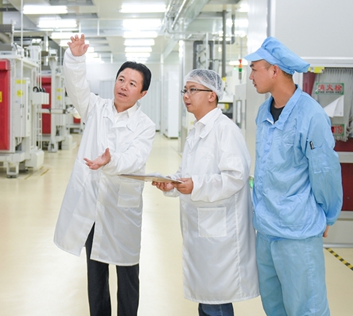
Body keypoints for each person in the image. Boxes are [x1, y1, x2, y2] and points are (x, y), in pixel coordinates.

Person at [53, 34, 156, 316]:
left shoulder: (145, 126)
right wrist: (76, 59)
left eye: (132, 83)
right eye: (121, 79)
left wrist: (111, 161)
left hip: (122, 209)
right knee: (96, 274)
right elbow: (76, 87)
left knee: (127, 274)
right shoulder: (95, 109)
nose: (124, 86)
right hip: (93, 206)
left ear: (142, 93)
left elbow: (135, 159)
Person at [244, 37, 343, 316]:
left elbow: (325, 171)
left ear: (274, 70)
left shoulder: (310, 114)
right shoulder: (263, 111)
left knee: (306, 309)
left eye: (255, 69)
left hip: (297, 232)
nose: (251, 76)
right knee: (274, 307)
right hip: (266, 230)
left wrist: (327, 214)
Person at [155, 69, 259, 316]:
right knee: (207, 300)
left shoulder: (225, 130)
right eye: (185, 90)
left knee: (216, 302)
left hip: (220, 236)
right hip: (203, 232)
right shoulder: (197, 131)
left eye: (193, 90)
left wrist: (197, 185)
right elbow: (187, 173)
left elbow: (236, 177)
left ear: (212, 95)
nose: (186, 96)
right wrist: (171, 183)